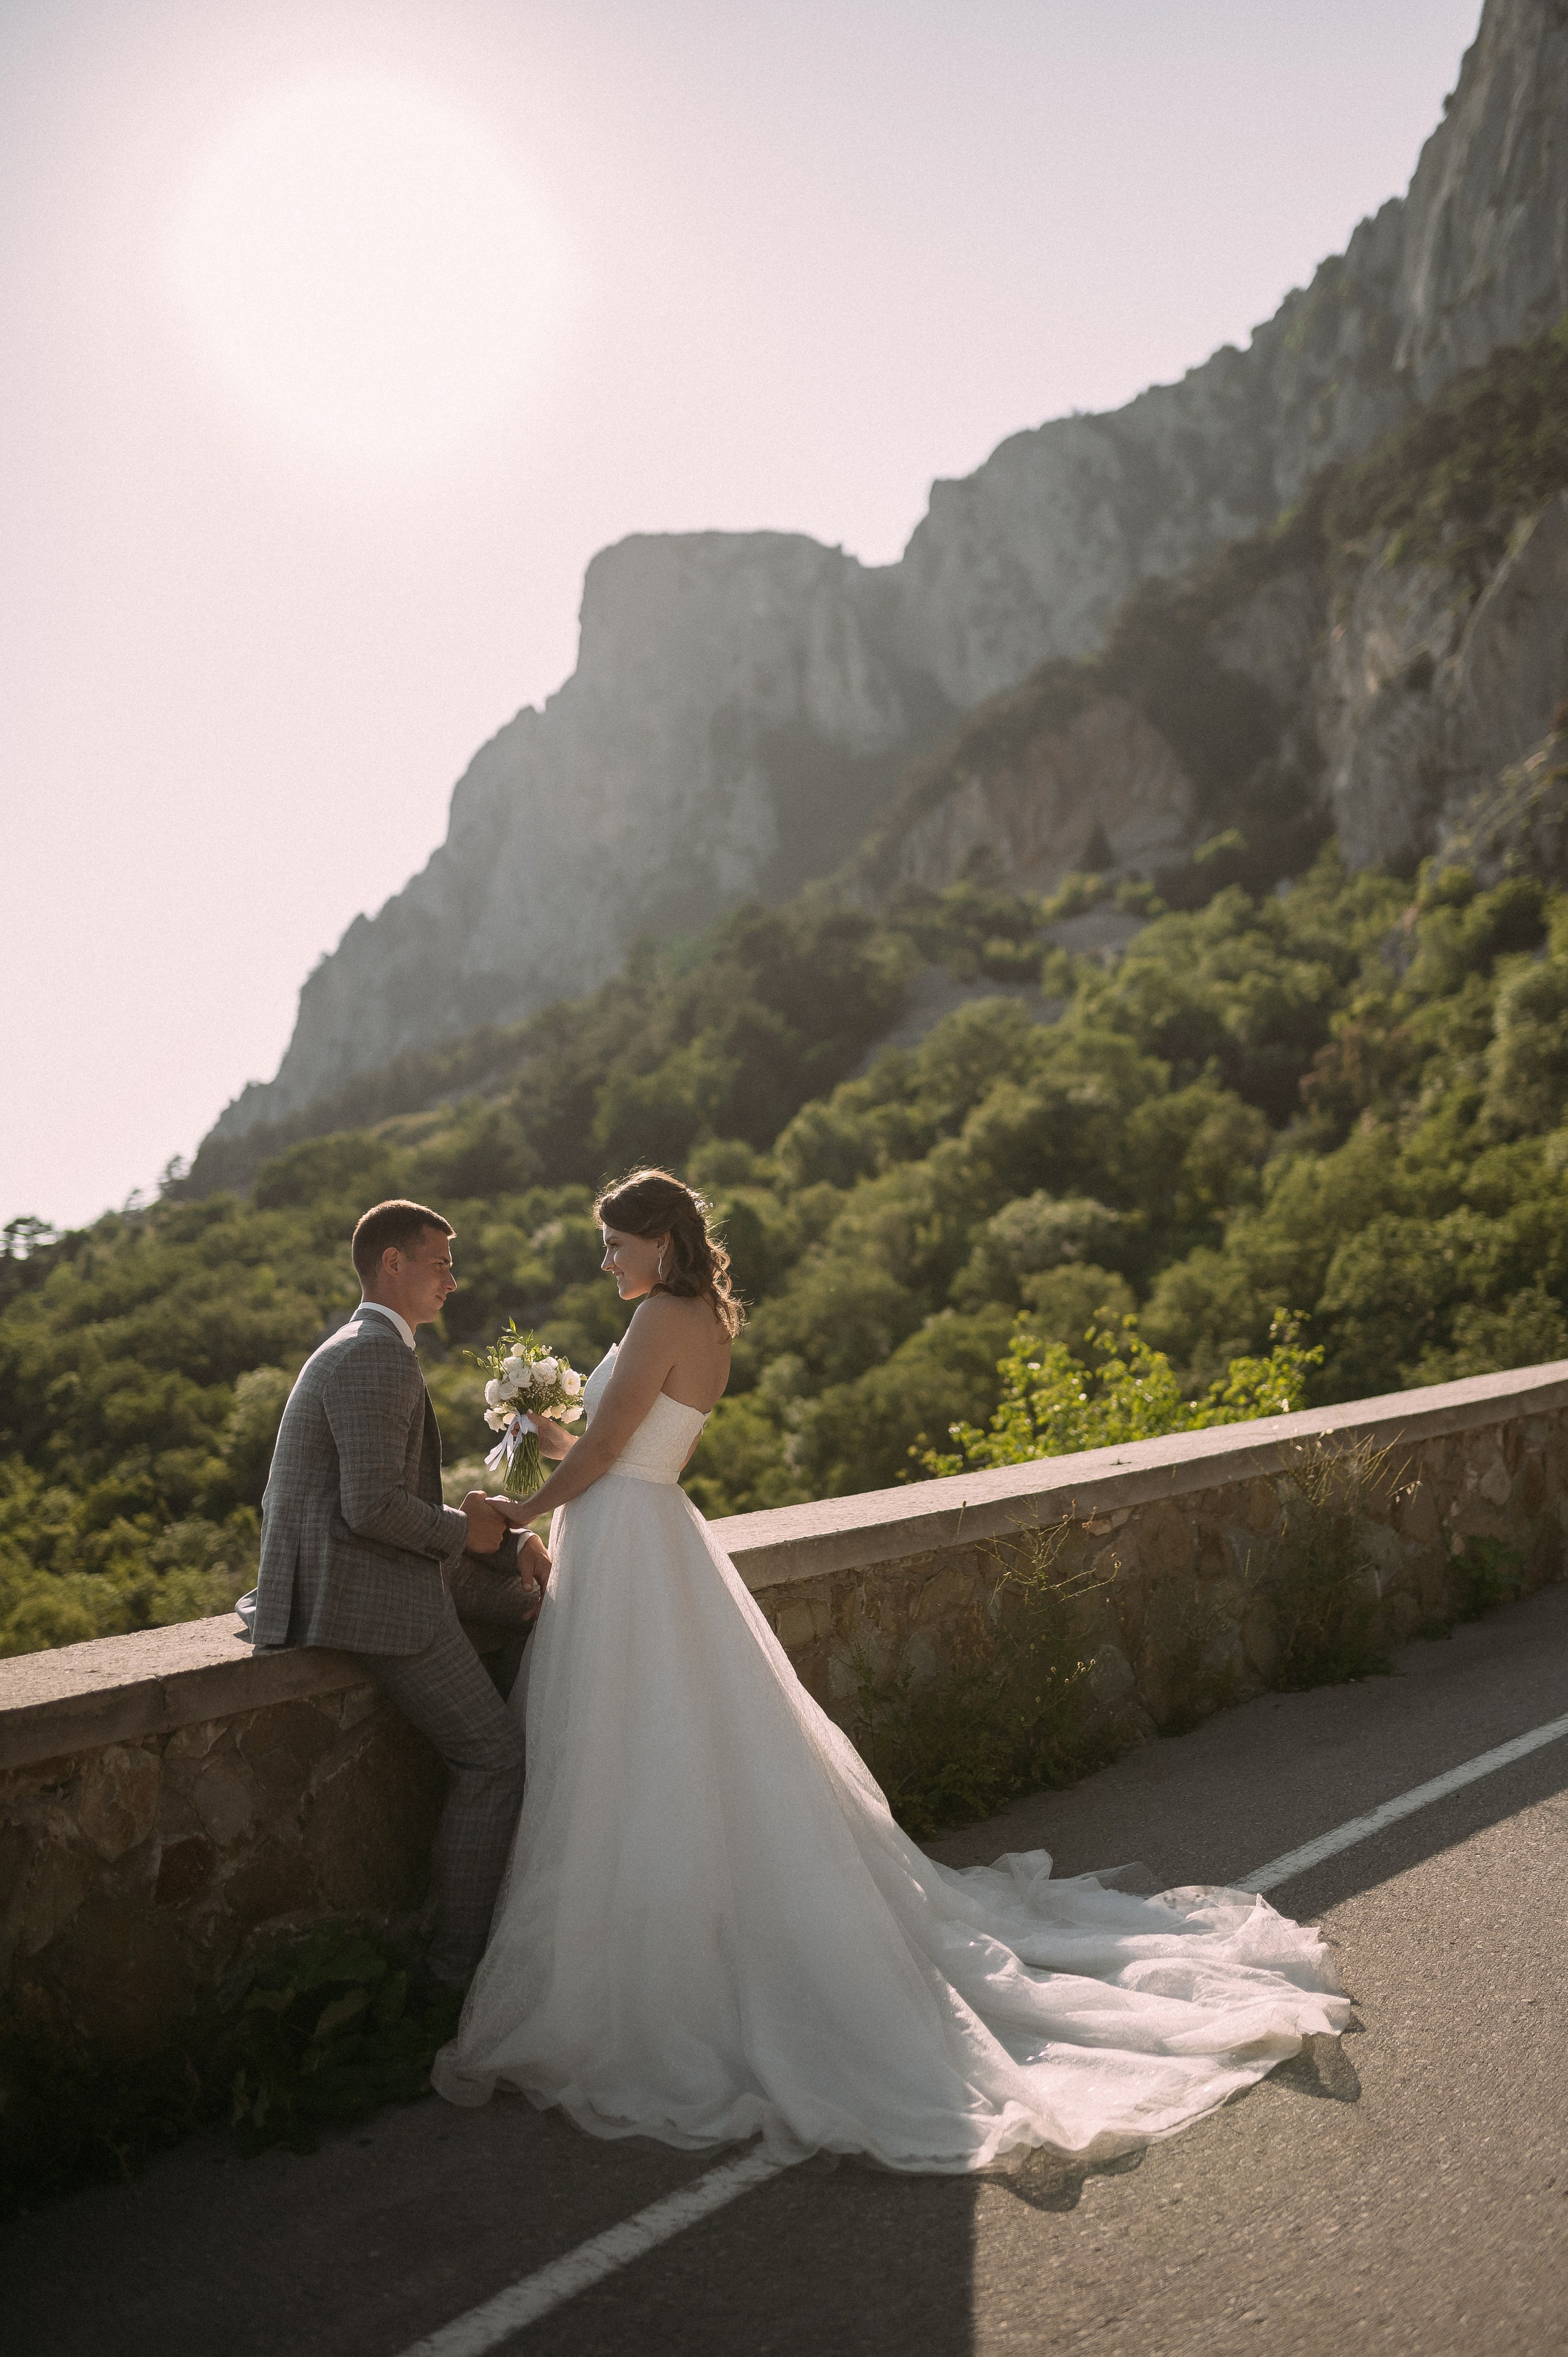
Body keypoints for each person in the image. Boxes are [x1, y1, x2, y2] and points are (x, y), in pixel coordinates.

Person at [432, 1168, 1348, 2170]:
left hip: (630, 1545)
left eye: (614, 1243)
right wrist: (534, 1430)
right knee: (663, 1752)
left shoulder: (660, 1317)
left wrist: (515, 1512)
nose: (604, 1260)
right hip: (642, 1538)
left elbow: (611, 1448)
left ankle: (648, 1978)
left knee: (634, 1754)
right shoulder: (697, 1319)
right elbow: (618, 1443)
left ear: (659, 1242)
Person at [245, 1198, 550, 1991]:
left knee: (530, 1607)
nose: (454, 1277)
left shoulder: (362, 1346)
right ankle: (452, 1977)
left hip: (366, 1572)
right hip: (366, 1595)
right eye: (442, 1261)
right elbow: (374, 1508)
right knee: (494, 1762)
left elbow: (387, 1508)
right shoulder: (376, 1355)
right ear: (393, 1263)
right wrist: (472, 1538)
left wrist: (507, 1545)